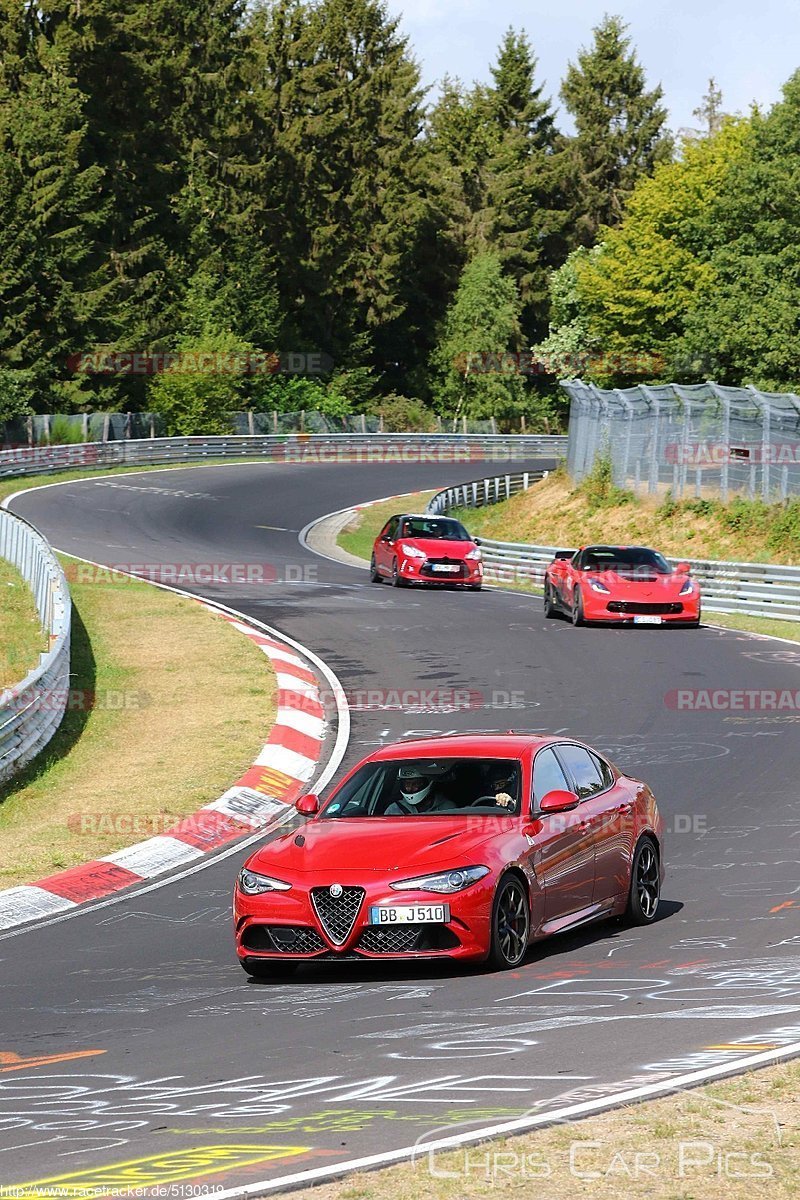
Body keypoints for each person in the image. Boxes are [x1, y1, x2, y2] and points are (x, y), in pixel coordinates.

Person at [384, 766, 452, 815]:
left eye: (416, 784)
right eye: (407, 784)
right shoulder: (394, 810)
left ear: (428, 783)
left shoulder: (447, 808)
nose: (410, 788)